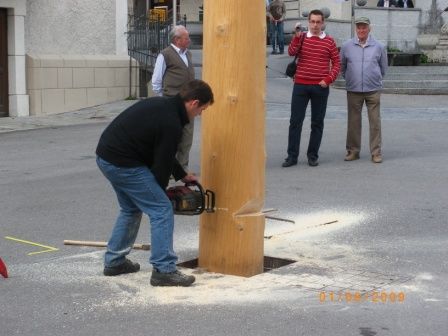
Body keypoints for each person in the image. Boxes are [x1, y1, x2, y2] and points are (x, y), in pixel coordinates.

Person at [96, 80, 214, 287]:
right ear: (194, 103)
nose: (200, 114)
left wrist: (182, 175)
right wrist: (161, 195)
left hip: (107, 157)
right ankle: (164, 270)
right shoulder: (171, 122)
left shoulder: (164, 107)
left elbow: (163, 153)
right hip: (124, 162)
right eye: (202, 109)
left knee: (130, 209)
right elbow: (160, 166)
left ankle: (115, 262)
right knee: (161, 209)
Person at [282, 9, 340, 168]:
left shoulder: (329, 41)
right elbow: (291, 52)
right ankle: (292, 156)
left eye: (318, 22)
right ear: (309, 22)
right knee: (295, 122)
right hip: (300, 85)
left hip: (320, 87)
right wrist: (296, 37)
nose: (315, 25)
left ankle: (312, 155)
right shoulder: (302, 38)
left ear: (323, 23)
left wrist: (328, 79)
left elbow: (337, 63)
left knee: (317, 123)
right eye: (312, 22)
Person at [340, 17, 387, 164]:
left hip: (373, 89)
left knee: (375, 122)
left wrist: (376, 78)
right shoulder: (347, 46)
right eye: (359, 27)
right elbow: (343, 67)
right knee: (353, 122)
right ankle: (353, 151)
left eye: (364, 27)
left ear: (369, 29)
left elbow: (383, 67)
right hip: (353, 89)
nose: (361, 30)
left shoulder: (379, 46)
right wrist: (350, 79)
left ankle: (376, 152)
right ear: (356, 29)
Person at [152, 25, 195, 171]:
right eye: (186, 37)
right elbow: (156, 80)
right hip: (172, 100)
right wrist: (163, 99)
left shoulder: (187, 54)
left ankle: (182, 168)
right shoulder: (165, 54)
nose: (189, 40)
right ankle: (168, 168)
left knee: (187, 136)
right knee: (172, 136)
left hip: (189, 101)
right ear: (177, 39)